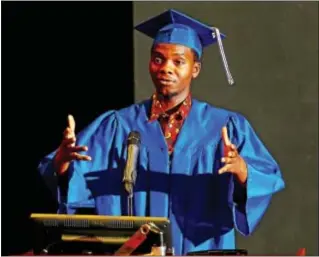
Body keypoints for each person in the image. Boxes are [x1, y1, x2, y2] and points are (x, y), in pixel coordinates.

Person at [38, 9, 285, 255]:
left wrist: (243, 172)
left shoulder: (226, 127)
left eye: (178, 61)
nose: (166, 68)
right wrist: (62, 163)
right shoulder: (117, 126)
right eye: (158, 59)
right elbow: (73, 180)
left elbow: (264, 178)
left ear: (195, 69)